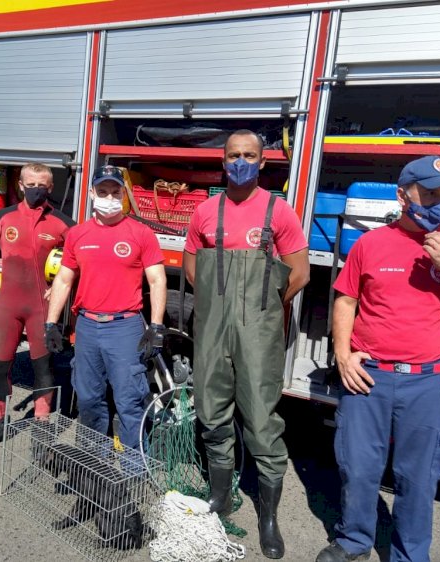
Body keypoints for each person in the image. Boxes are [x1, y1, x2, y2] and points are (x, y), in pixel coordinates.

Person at [316, 155, 440, 562]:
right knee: (358, 469)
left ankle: (410, 554)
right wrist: (343, 355)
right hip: (370, 378)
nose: (439, 202)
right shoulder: (370, 243)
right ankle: (353, 541)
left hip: (427, 383)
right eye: (429, 193)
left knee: (417, 479)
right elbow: (346, 299)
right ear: (402, 194)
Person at [183, 129, 310, 559]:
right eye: (234, 154)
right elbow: (191, 264)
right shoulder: (204, 211)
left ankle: (268, 519)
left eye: (249, 155)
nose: (240, 161)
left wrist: (264, 310)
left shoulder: (279, 211)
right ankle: (220, 496)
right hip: (213, 326)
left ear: (262, 161)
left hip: (258, 327)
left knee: (261, 418)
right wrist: (217, 307)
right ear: (223, 161)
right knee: (211, 409)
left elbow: (299, 272)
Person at [44, 164, 167, 450]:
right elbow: (63, 279)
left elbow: (157, 279)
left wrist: (157, 326)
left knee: (129, 401)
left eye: (115, 191)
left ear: (124, 194)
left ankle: (134, 470)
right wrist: (51, 323)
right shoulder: (77, 234)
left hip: (125, 327)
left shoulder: (141, 233)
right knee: (88, 398)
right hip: (86, 326)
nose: (109, 197)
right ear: (91, 193)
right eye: (102, 191)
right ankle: (93, 463)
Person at [0, 162, 74, 450]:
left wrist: (64, 297)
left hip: (42, 309)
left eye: (43, 185)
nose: (37, 190)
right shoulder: (3, 218)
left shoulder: (62, 224)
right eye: (31, 185)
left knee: (43, 368)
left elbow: (77, 266)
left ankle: (42, 425)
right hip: (8, 305)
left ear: (51, 187)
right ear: (20, 186)